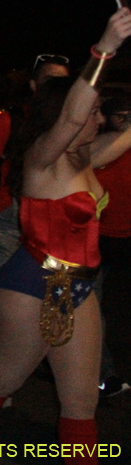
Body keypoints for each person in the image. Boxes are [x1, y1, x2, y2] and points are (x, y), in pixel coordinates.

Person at [0, 8, 131, 465]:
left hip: (81, 285)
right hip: (31, 283)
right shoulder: (40, 157)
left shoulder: (85, 156)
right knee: (4, 379)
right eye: (93, 111)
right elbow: (72, 117)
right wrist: (105, 48)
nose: (99, 117)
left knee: (80, 405)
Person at [0, 56, 70, 392]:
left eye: (62, 82)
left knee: (39, 310)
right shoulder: (8, 122)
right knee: (0, 307)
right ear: (34, 86)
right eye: (49, 80)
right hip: (5, 225)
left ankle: (2, 377)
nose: (55, 89)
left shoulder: (66, 129)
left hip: (46, 228)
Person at [91, 92, 131, 398]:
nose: (126, 121)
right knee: (90, 307)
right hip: (97, 237)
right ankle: (103, 376)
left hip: (125, 237)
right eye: (122, 115)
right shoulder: (99, 145)